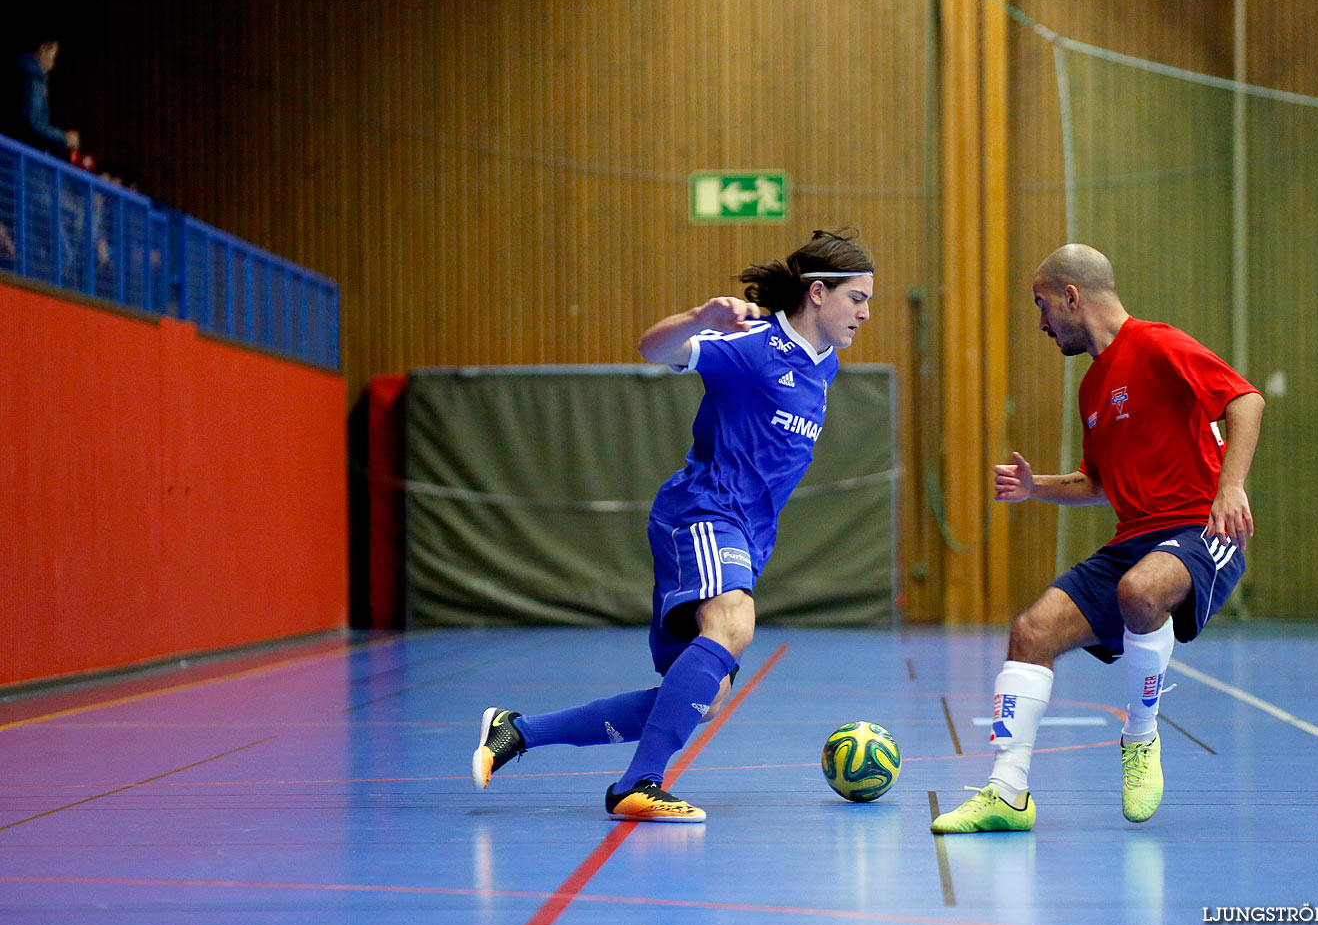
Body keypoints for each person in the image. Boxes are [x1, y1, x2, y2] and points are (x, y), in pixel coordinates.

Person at [471, 228, 876, 822]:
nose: (866, 312)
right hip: (705, 512)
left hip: (747, 535)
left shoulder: (826, 365)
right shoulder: (752, 344)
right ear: (817, 293)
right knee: (734, 623)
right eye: (858, 298)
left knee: (704, 699)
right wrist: (698, 316)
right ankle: (640, 783)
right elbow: (653, 349)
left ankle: (519, 731)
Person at [932, 242, 1263, 834]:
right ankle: (1006, 794)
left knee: (1141, 592)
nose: (1040, 323)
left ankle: (1140, 736)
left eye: (1041, 305)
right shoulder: (1091, 391)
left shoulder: (1159, 344)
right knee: (1030, 632)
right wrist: (1039, 487)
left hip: (1202, 529)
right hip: (1135, 538)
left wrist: (1229, 488)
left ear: (1072, 296)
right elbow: (1099, 484)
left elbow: (1245, 399)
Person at [6, 36, 80, 158]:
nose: (52, 66)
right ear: (43, 50)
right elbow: (34, 122)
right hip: (26, 157)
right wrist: (65, 138)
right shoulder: (34, 79)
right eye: (53, 57)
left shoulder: (19, 71)